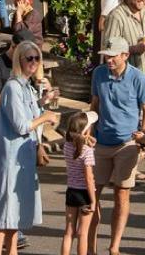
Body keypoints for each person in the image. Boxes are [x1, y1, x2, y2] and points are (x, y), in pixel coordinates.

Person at [89, 37, 145, 255]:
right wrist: (89, 132)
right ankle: (90, 247)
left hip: (127, 144)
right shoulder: (98, 73)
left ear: (125, 55)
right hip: (101, 142)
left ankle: (114, 247)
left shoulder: (138, 78)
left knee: (121, 194)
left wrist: (142, 138)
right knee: (92, 196)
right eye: (107, 55)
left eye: (113, 56)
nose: (108, 59)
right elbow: (95, 104)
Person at [61, 108, 97, 255]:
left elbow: (78, 142)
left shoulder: (67, 146)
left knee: (69, 231)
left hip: (71, 191)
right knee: (83, 233)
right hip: (84, 194)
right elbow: (89, 178)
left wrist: (88, 140)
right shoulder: (87, 151)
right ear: (86, 130)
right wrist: (93, 200)